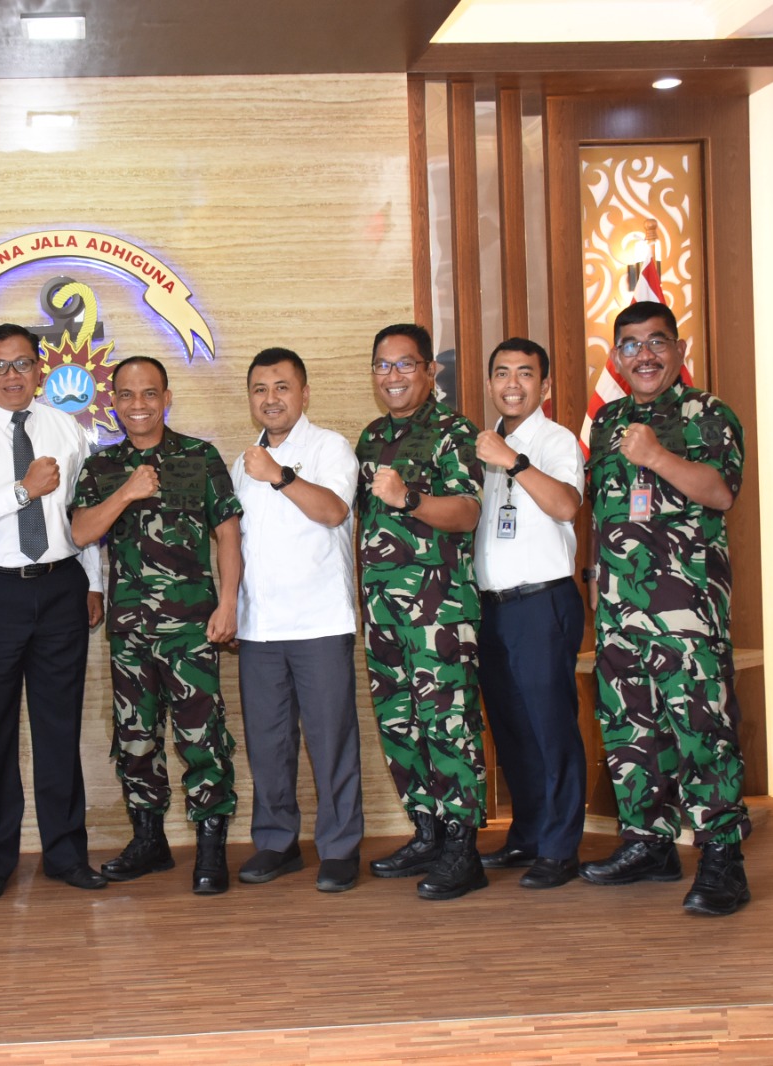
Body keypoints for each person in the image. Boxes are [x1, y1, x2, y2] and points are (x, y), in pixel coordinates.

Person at [581, 301, 751, 916]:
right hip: (619, 610)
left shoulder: (708, 414)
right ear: (617, 357)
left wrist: (655, 456)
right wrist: (597, 586)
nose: (644, 355)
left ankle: (723, 859)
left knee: (702, 730)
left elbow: (721, 493)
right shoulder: (608, 421)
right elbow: (602, 512)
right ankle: (648, 843)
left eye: (657, 342)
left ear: (679, 350)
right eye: (630, 344)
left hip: (687, 611)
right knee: (631, 731)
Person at [0, 322, 107, 902]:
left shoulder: (67, 428)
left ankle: (66, 854)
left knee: (59, 728)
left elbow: (84, 513)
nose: (12, 376)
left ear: (40, 369)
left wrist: (93, 581)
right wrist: (23, 490)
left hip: (60, 588)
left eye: (23, 363)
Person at [72, 356, 243, 895]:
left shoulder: (199, 455)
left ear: (166, 398)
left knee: (201, 736)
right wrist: (126, 491)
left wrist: (229, 603)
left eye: (149, 393)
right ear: (113, 402)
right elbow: (81, 532)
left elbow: (228, 534)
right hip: (129, 630)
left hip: (192, 627)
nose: (138, 404)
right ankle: (149, 841)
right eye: (126, 394)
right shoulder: (102, 467)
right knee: (135, 738)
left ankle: (211, 847)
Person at [356, 323, 487, 901]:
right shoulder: (370, 438)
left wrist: (407, 497)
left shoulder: (454, 433)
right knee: (400, 725)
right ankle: (428, 831)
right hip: (383, 613)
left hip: (439, 614)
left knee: (449, 726)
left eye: (405, 364)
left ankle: (463, 848)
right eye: (383, 366)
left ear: (430, 371)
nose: (393, 376)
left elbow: (467, 513)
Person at [228, 348, 364, 893]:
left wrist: (280, 476)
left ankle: (340, 848)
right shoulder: (242, 462)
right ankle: (277, 842)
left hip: (319, 622)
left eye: (282, 387)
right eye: (260, 389)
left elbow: (334, 511)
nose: (271, 399)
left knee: (331, 741)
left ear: (304, 394)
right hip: (259, 626)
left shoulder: (330, 447)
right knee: (268, 744)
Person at [471, 338, 587, 889]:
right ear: (489, 383)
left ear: (545, 385)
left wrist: (513, 462)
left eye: (524, 373)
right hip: (492, 608)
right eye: (501, 373)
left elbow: (566, 505)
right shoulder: (483, 444)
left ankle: (561, 848)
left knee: (550, 727)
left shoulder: (555, 439)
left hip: (541, 603)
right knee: (512, 729)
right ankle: (529, 833)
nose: (512, 383)